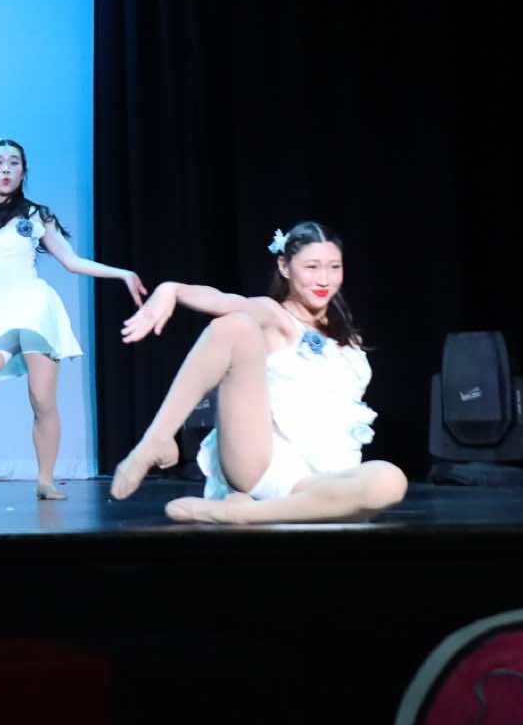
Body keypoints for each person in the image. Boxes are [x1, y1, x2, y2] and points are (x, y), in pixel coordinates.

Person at [109, 221, 407, 524]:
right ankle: (156, 440)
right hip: (267, 465)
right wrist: (171, 290)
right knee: (236, 325)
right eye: (312, 267)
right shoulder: (275, 314)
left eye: (334, 267)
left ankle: (242, 513)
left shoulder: (346, 334)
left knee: (389, 480)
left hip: (328, 477)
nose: (324, 279)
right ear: (285, 267)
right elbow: (224, 301)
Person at [0, 138, 146, 500]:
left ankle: (45, 480)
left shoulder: (36, 215)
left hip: (34, 310)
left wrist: (121, 273)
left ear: (23, 172)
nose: (6, 169)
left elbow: (71, 261)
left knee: (42, 400)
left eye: (14, 162)